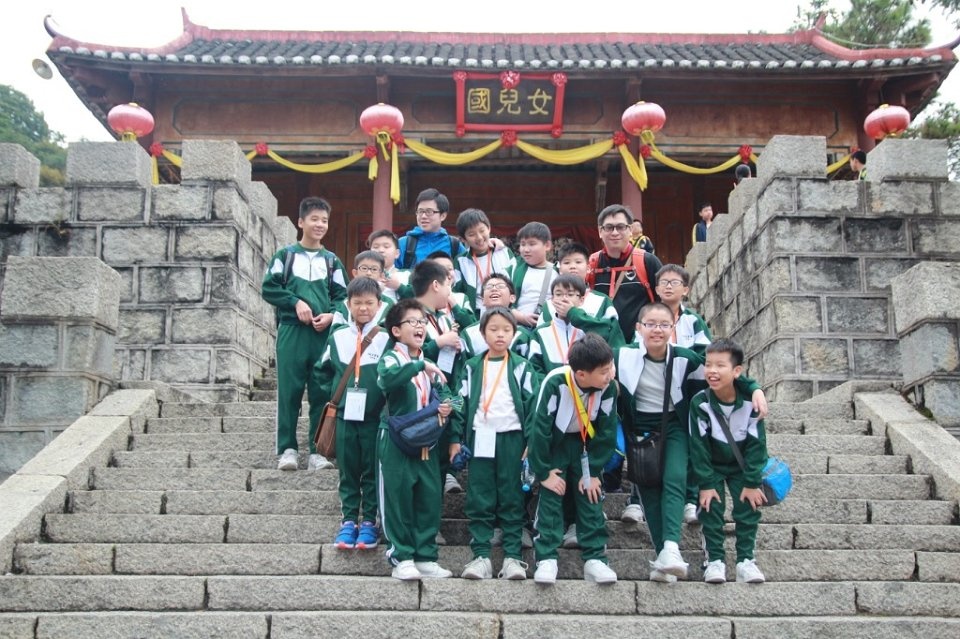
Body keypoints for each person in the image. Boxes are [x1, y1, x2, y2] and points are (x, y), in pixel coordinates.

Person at [614, 303, 766, 584]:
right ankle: (662, 557)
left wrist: (754, 388)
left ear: (673, 329)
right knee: (648, 491)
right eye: (650, 324)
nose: (657, 330)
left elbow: (721, 375)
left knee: (674, 478)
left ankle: (672, 546)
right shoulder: (622, 356)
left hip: (673, 425)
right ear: (638, 328)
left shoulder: (685, 358)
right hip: (639, 430)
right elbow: (594, 369)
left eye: (664, 324)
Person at [449, 307, 538, 580]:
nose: (500, 334)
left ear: (514, 333)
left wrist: (531, 442)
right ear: (483, 333)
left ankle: (512, 557)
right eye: (494, 329)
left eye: (506, 330)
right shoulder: (472, 366)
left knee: (512, 495)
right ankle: (481, 556)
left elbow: (533, 407)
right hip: (481, 437)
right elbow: (458, 402)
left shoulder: (522, 366)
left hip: (512, 437)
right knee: (480, 495)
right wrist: (454, 438)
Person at [261, 196, 347, 471]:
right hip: (292, 331)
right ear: (301, 222)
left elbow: (343, 297)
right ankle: (287, 449)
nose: (320, 224)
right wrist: (294, 302)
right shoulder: (285, 256)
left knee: (322, 391)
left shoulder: (332, 261)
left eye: (324, 220)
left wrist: (332, 315)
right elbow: (269, 287)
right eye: (314, 219)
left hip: (322, 335)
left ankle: (317, 452)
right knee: (289, 390)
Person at [529, 333, 620, 585]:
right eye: (603, 371)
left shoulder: (608, 387)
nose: (609, 375)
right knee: (553, 492)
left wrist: (594, 470)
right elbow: (539, 430)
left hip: (586, 446)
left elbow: (608, 431)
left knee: (591, 492)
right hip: (556, 444)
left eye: (610, 367)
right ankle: (546, 557)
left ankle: (595, 558)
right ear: (581, 374)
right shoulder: (555, 382)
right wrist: (543, 472)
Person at [377, 298, 455, 581]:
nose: (420, 326)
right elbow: (387, 380)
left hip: (427, 441)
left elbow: (452, 396)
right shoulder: (392, 358)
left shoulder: (429, 363)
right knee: (397, 498)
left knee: (429, 498)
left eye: (422, 322)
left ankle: (425, 557)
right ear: (396, 331)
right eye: (412, 321)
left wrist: (448, 406)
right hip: (395, 439)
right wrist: (418, 366)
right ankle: (401, 556)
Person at [315, 277, 391, 550]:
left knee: (371, 469)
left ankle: (369, 521)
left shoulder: (386, 338)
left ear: (379, 304)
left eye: (369, 303)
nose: (363, 308)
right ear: (348, 304)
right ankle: (348, 520)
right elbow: (321, 370)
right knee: (347, 469)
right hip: (345, 416)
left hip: (374, 418)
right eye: (357, 303)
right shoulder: (337, 336)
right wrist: (337, 395)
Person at [689, 339, 768, 584]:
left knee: (748, 508)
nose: (712, 371)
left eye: (720, 365)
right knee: (711, 508)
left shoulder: (751, 402)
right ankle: (715, 560)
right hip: (712, 465)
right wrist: (705, 483)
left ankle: (746, 560)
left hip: (741, 465)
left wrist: (752, 481)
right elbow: (698, 447)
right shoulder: (700, 402)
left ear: (736, 371)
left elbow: (757, 445)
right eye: (708, 364)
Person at [586, 204, 663, 343]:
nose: (615, 232)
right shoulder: (592, 263)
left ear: (630, 230)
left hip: (640, 345)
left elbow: (664, 301)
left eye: (621, 227)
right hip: (601, 346)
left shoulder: (647, 261)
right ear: (600, 231)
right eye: (609, 227)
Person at [528, 274, 624, 376]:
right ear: (552, 300)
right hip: (553, 385)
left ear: (581, 300)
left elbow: (609, 334)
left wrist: (573, 313)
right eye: (558, 294)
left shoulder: (588, 327)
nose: (564, 299)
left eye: (570, 294)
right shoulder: (540, 332)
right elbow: (535, 368)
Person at [453, 208, 516, 318]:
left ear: (489, 228)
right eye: (471, 234)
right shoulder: (461, 261)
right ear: (463, 239)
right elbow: (457, 293)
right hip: (476, 317)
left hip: (507, 314)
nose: (479, 237)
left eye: (482, 231)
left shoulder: (504, 252)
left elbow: (516, 283)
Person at [396, 188, 462, 269]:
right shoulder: (403, 244)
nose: (423, 216)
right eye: (420, 211)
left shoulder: (454, 245)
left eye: (429, 211)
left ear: (443, 216)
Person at [509, 221, 558, 329]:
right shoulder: (515, 268)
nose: (526, 249)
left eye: (532, 244)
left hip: (549, 329)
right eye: (522, 244)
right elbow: (503, 301)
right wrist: (521, 317)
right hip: (518, 328)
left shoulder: (558, 272)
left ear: (547, 245)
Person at [330, 250, 392, 328]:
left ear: (381, 276)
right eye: (364, 268)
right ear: (355, 273)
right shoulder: (346, 303)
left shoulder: (388, 303)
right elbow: (335, 329)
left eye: (374, 269)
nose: (368, 273)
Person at [367, 229, 409, 303]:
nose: (381, 250)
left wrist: (399, 286)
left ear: (397, 253)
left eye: (386, 247)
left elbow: (419, 298)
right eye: (376, 247)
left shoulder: (407, 274)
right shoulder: (364, 276)